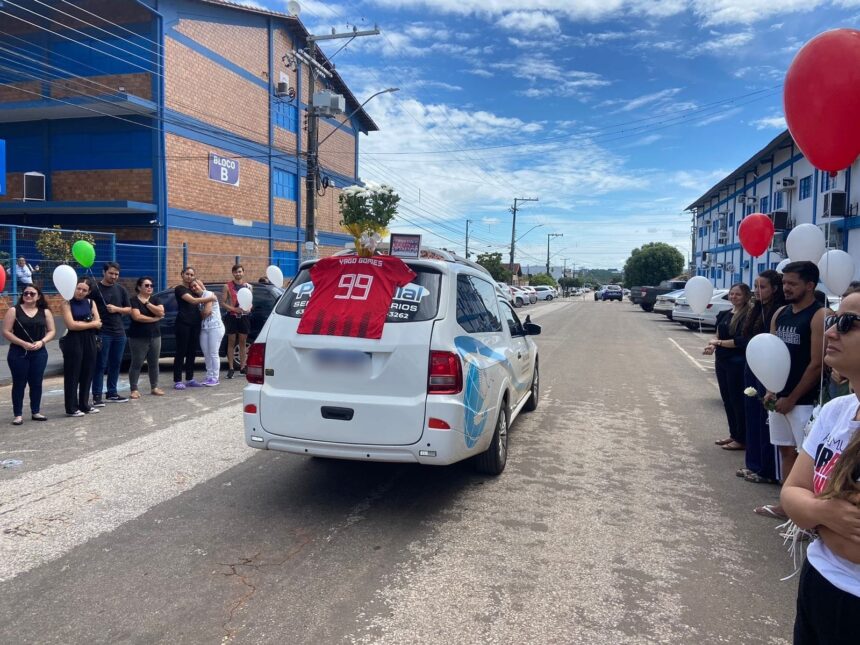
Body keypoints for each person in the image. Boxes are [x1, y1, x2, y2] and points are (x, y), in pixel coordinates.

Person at [781, 290, 860, 643]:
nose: (830, 331)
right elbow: (790, 495)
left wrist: (812, 515)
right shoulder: (836, 412)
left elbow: (854, 547)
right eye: (832, 321)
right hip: (818, 580)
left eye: (847, 323)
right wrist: (826, 516)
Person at [755, 261, 827, 520]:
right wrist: (771, 390)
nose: (785, 287)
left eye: (792, 283)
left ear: (810, 285)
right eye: (784, 282)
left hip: (805, 401)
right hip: (779, 397)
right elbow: (771, 354)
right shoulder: (781, 313)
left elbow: (817, 363)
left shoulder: (819, 315)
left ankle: (808, 514)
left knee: (807, 457)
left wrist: (793, 398)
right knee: (785, 450)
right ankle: (787, 506)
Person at [737, 270, 785, 484]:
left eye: (762, 287)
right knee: (752, 415)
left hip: (769, 369)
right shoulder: (757, 309)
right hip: (752, 365)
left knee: (765, 419)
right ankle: (753, 463)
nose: (757, 291)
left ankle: (766, 468)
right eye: (755, 286)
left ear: (775, 289)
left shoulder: (778, 312)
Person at [704, 283, 752, 451]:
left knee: (737, 400)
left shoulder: (748, 316)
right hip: (722, 361)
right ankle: (733, 434)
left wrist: (719, 343)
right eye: (731, 294)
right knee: (727, 399)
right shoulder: (725, 313)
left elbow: (741, 342)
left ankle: (742, 438)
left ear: (746, 296)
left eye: (737, 294)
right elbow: (718, 334)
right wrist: (712, 345)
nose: (733, 297)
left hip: (737, 363)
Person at [2, 284, 55, 425]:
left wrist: (42, 342)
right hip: (18, 352)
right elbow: (6, 331)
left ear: (38, 296)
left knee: (36, 382)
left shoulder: (45, 312)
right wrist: (22, 343)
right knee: (19, 383)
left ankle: (35, 411)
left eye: (32, 293)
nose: (28, 296)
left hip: (39, 352)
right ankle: (18, 414)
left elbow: (51, 331)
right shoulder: (14, 310)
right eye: (26, 293)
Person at [90, 261, 131, 405]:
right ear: (104, 272)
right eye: (111, 273)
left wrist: (116, 309)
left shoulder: (121, 289)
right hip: (103, 332)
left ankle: (112, 392)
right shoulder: (95, 289)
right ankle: (97, 395)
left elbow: (128, 309)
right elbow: (88, 308)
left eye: (116, 274)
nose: (114, 276)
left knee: (116, 363)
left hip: (119, 332)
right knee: (100, 364)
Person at [60, 278, 102, 417]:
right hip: (73, 340)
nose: (80, 292)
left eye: (84, 290)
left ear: (89, 292)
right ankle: (71, 407)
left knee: (88, 371)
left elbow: (99, 322)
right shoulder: (66, 303)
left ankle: (84, 404)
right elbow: (71, 325)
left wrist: (83, 324)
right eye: (78, 288)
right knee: (73, 374)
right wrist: (90, 324)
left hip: (89, 339)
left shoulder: (91, 302)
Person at [173, 266, 216, 390]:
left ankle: (190, 378)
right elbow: (192, 301)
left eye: (192, 275)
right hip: (183, 323)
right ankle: (177, 380)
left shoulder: (194, 289)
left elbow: (203, 292)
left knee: (192, 352)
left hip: (195, 323)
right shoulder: (179, 289)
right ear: (182, 274)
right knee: (181, 351)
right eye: (187, 274)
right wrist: (211, 298)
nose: (189, 277)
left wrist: (204, 291)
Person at [127, 276, 165, 399]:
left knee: (154, 363)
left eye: (151, 285)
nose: (150, 288)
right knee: (137, 363)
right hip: (138, 336)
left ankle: (154, 387)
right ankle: (134, 389)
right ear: (139, 287)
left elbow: (161, 312)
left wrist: (147, 303)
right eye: (146, 285)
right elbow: (137, 317)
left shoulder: (155, 299)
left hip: (155, 335)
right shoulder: (133, 300)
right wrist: (154, 319)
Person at [221, 264, 252, 379]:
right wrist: (234, 309)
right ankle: (231, 368)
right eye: (236, 272)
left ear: (243, 272)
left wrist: (248, 308)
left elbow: (250, 301)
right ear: (233, 273)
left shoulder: (248, 287)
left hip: (244, 317)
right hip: (232, 317)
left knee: (243, 343)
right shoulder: (227, 286)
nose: (238, 274)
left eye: (240, 271)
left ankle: (243, 367)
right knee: (231, 342)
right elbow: (223, 303)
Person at [194, 279, 225, 386]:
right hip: (204, 328)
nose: (194, 288)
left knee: (213, 353)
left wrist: (200, 315)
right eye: (192, 287)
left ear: (201, 284)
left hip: (215, 327)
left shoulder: (208, 294)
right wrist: (202, 314)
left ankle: (215, 378)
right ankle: (209, 376)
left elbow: (206, 312)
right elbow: (205, 312)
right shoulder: (197, 298)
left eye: (196, 285)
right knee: (206, 354)